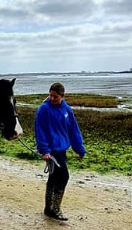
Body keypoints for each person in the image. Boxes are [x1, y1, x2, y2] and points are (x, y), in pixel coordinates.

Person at [34, 82, 86, 221]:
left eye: (55, 97)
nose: (52, 98)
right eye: (50, 95)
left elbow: (74, 130)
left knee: (54, 178)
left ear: (62, 96)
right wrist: (44, 150)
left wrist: (79, 149)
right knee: (64, 176)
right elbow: (41, 131)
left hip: (62, 150)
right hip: (51, 151)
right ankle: (55, 209)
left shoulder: (67, 110)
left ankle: (48, 209)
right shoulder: (43, 110)